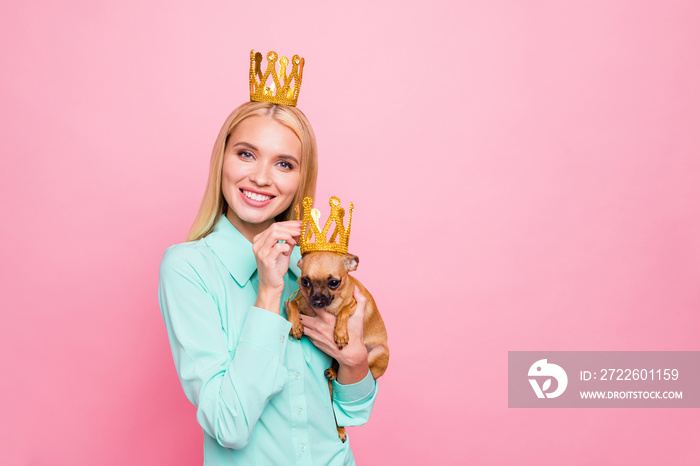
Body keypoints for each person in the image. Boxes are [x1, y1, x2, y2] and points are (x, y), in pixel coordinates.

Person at [158, 51, 378, 465]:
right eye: (245, 153)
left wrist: (355, 361)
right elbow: (229, 426)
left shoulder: (312, 271)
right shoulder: (188, 269)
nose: (261, 177)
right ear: (221, 158)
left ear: (300, 180)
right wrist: (269, 293)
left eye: (284, 163)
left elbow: (352, 413)